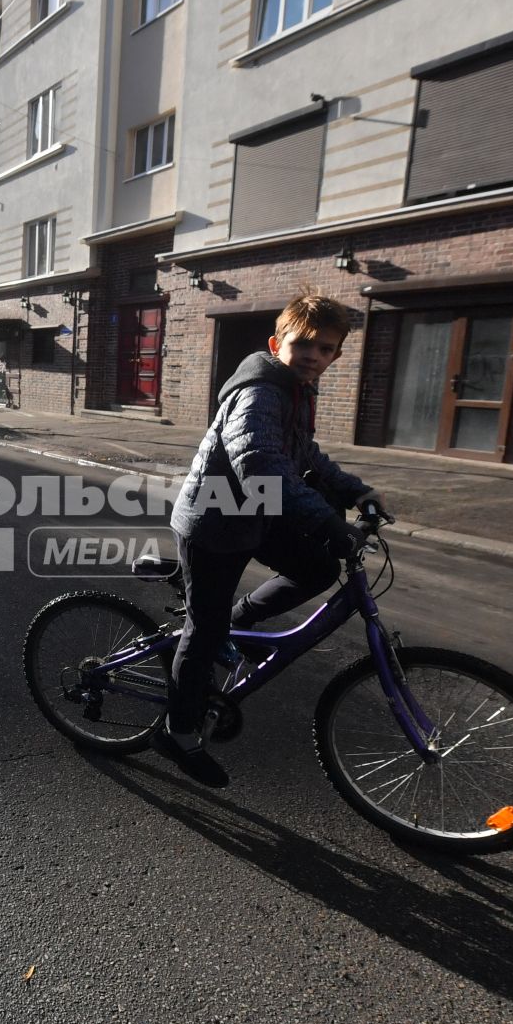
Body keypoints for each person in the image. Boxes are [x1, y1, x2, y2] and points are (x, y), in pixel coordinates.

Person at [161, 293, 388, 786]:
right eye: (303, 343)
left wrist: (357, 490)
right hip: (214, 521)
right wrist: (329, 522)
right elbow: (259, 465)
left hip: (252, 514)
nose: (313, 354)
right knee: (202, 631)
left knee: (317, 568)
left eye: (325, 348)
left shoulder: (298, 390)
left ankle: (230, 627)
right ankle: (177, 733)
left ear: (336, 356)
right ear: (277, 343)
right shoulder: (262, 391)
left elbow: (305, 455)